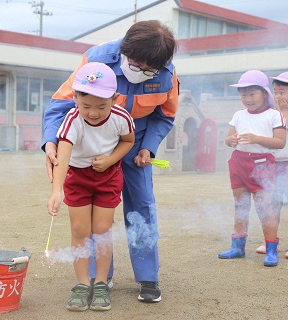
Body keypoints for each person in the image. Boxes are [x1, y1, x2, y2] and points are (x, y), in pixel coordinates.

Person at [42, 20, 178, 302]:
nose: (141, 73)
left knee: (141, 205)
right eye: (136, 65)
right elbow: (61, 104)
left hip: (134, 140)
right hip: (91, 145)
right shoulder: (95, 60)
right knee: (92, 217)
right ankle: (100, 276)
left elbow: (165, 115)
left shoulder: (167, 72)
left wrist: (149, 148)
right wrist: (51, 143)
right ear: (125, 52)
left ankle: (148, 277)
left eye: (149, 70)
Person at [47, 62, 135, 311]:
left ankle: (101, 283)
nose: (93, 113)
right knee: (79, 229)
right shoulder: (72, 120)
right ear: (74, 98)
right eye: (86, 106)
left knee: (102, 229)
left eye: (101, 106)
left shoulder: (121, 117)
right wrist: (56, 190)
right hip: (77, 178)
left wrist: (110, 159)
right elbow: (62, 159)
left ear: (115, 100)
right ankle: (82, 283)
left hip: (108, 177)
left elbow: (128, 141)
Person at [217, 70, 286, 267]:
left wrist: (256, 139)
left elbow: (280, 142)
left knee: (265, 209)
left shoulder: (274, 115)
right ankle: (237, 247)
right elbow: (228, 139)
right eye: (243, 94)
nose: (247, 99)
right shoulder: (238, 115)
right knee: (240, 207)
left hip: (262, 164)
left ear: (265, 93)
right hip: (239, 162)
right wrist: (230, 140)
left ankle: (271, 249)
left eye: (252, 94)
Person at [255, 72, 288, 260]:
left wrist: (283, 111)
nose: (278, 96)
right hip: (273, 164)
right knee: (273, 205)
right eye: (276, 92)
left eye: (283, 92)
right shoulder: (272, 112)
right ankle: (271, 241)